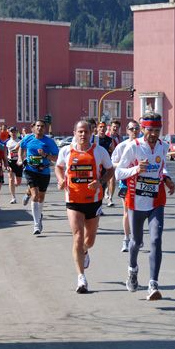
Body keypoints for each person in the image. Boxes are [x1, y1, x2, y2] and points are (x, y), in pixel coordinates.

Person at [115, 112, 175, 301]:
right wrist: (136, 170)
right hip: (135, 199)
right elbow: (118, 172)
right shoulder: (132, 147)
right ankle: (132, 269)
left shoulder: (163, 146)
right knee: (136, 242)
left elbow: (161, 166)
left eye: (157, 130)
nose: (153, 134)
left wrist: (167, 179)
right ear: (143, 129)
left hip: (156, 199)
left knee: (156, 240)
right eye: (150, 130)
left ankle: (153, 283)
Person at [55, 121, 114, 293]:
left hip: (93, 200)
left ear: (91, 133)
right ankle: (81, 278)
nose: (83, 135)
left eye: (86, 131)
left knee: (89, 241)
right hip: (73, 200)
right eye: (80, 131)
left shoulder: (99, 151)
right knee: (78, 237)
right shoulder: (66, 150)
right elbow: (59, 167)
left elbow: (110, 171)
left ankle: (85, 251)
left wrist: (101, 181)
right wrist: (60, 180)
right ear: (74, 133)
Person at [18, 119, 59, 235]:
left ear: (44, 128)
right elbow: (21, 146)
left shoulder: (49, 142)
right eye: (37, 126)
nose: (39, 128)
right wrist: (20, 158)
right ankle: (36, 224)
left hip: (44, 171)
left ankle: (38, 216)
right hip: (31, 169)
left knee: (41, 197)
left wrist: (45, 155)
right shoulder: (28, 138)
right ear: (34, 128)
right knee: (35, 196)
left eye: (42, 126)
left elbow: (56, 157)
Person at [111, 120, 140, 252]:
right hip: (126, 181)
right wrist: (126, 166)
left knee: (140, 211)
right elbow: (113, 163)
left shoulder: (143, 145)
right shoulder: (122, 146)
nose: (134, 131)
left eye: (137, 128)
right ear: (127, 130)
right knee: (127, 211)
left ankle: (137, 237)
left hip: (141, 181)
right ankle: (126, 239)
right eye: (131, 128)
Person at [106, 119, 122, 207]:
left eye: (117, 127)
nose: (115, 128)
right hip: (107, 161)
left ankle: (110, 198)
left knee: (112, 179)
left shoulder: (120, 138)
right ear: (110, 127)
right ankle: (107, 191)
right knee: (108, 179)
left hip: (116, 162)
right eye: (114, 127)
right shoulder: (106, 137)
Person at [6, 127, 23, 204]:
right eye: (11, 132)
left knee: (18, 182)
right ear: (9, 133)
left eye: (14, 132)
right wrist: (5, 163)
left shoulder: (20, 141)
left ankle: (16, 183)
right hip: (10, 162)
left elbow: (24, 151)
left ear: (17, 132)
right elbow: (5, 153)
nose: (13, 133)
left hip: (18, 162)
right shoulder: (7, 142)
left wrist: (22, 158)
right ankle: (13, 197)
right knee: (11, 178)